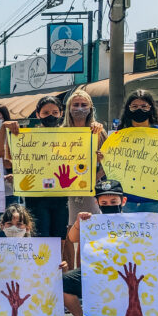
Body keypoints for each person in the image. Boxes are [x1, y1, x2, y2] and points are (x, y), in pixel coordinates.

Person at [63, 179, 158, 316]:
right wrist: (78, 223)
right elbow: (73, 238)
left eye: (113, 201)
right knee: (61, 282)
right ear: (97, 203)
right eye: (104, 202)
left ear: (123, 201)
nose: (109, 204)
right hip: (97, 275)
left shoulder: (138, 223)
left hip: (127, 279)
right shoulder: (94, 222)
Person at [0, 95, 69, 240]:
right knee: (40, 240)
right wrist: (4, 128)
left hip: (61, 197)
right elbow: (1, 157)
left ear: (61, 113)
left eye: (54, 112)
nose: (51, 116)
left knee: (60, 240)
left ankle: (58, 264)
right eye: (46, 113)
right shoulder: (24, 137)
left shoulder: (70, 138)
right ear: (37, 114)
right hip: (36, 197)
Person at [61, 90, 107, 268]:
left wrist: (95, 177)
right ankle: (70, 274)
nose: (79, 109)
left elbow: (109, 161)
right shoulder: (60, 132)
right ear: (69, 108)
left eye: (83, 105)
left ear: (90, 108)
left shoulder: (98, 131)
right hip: (66, 189)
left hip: (90, 190)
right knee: (68, 234)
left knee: (88, 231)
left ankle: (85, 273)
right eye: (76, 105)